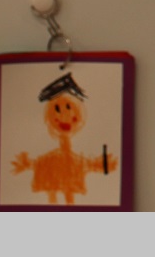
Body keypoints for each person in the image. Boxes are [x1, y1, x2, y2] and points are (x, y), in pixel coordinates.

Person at [9, 72, 117, 204]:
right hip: (56, 166)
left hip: (67, 165)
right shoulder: (51, 160)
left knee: (68, 196)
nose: (65, 116)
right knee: (53, 195)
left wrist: (98, 164)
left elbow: (84, 163)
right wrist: (28, 164)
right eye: (58, 110)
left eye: (68, 108)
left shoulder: (73, 160)